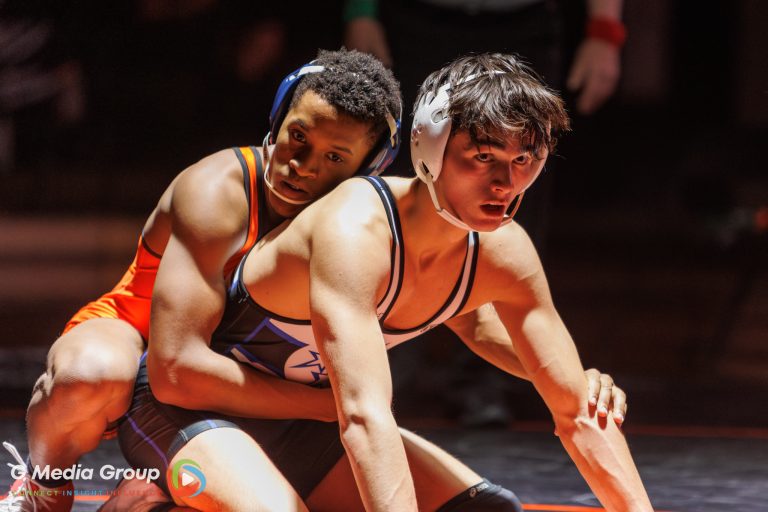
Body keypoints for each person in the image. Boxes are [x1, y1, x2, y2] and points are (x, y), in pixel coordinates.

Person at [1, 48, 622, 512]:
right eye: (297, 140)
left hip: (246, 377)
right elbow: (175, 370)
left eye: (333, 159)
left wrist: (566, 377)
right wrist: (334, 405)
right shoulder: (220, 190)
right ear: (277, 122)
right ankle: (47, 486)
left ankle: (168, 498)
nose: (301, 167)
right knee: (94, 373)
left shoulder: (364, 224)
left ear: (368, 168)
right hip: (147, 338)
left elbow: (468, 315)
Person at [344, 0, 627, 426]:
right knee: (419, 187)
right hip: (420, 20)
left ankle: (482, 383)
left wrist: (605, 29)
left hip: (524, 22)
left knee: (506, 203)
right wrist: (360, 12)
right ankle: (381, 374)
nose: (503, 180)